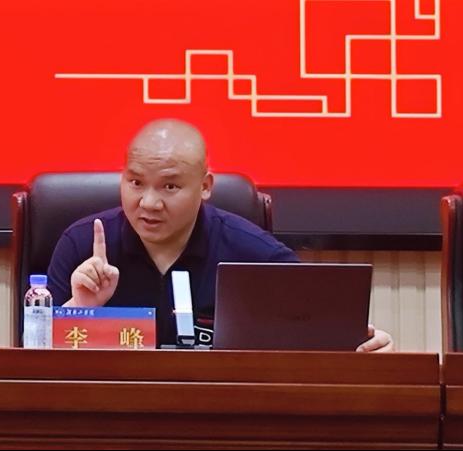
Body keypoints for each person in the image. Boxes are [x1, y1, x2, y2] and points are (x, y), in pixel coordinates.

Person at [47, 118, 393, 351]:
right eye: (135, 182)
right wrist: (80, 310)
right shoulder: (81, 246)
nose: (148, 203)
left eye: (170, 186)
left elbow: (320, 337)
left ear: (205, 186)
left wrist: (366, 347)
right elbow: (35, 361)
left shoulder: (255, 254)